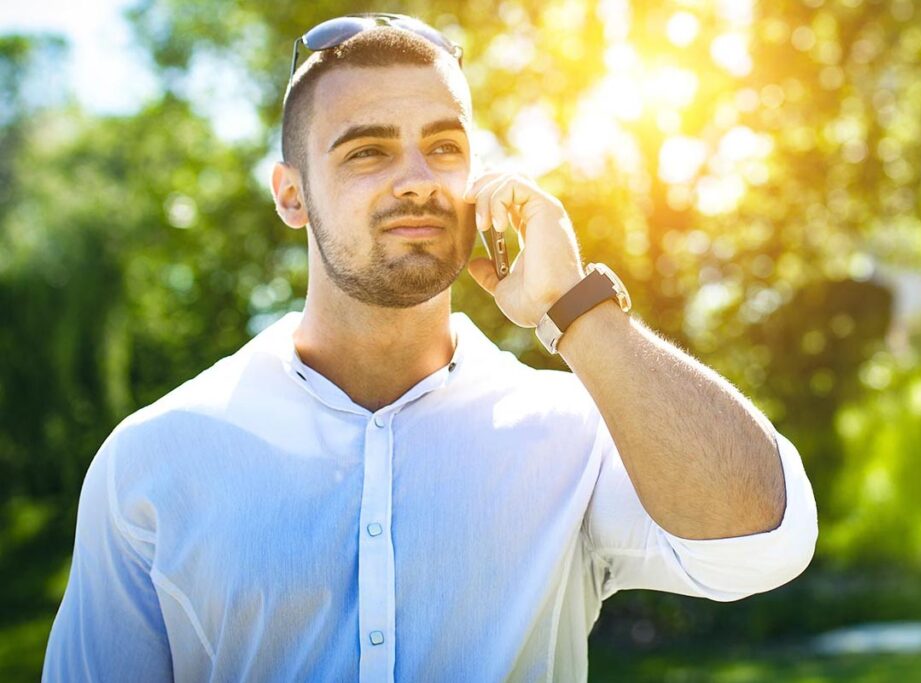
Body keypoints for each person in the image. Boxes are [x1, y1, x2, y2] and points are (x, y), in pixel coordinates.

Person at [42, 13, 817, 683]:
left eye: (443, 148)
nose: (416, 178)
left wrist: (575, 309)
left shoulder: (575, 430)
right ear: (291, 194)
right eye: (367, 152)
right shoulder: (154, 459)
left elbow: (762, 540)